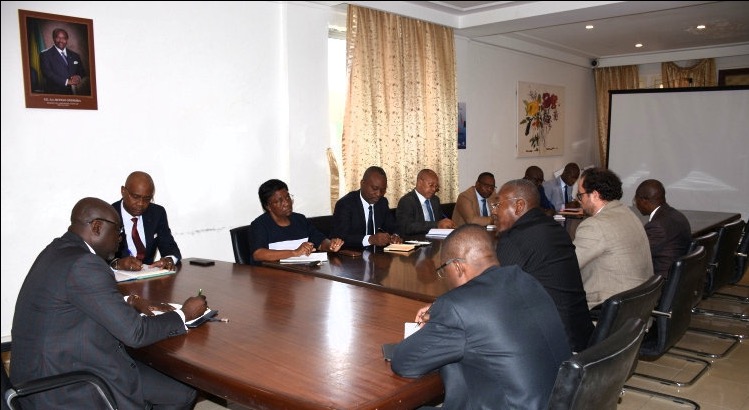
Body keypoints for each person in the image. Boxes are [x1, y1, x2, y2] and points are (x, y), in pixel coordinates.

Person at [10, 197, 208, 409]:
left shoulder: (57, 251)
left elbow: (76, 300)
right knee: (181, 392)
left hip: (40, 375)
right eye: (118, 231)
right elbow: (136, 333)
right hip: (69, 386)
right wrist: (184, 314)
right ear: (97, 227)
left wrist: (130, 300)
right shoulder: (85, 264)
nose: (120, 239)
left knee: (172, 386)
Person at [390, 224, 571, 410]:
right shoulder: (528, 280)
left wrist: (442, 315)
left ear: (457, 266)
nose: (445, 278)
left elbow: (404, 363)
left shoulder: (458, 307)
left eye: (444, 270)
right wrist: (440, 309)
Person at [493, 178, 593, 352]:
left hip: (553, 346)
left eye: (498, 205)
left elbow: (497, 296)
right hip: (582, 335)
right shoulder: (555, 228)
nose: (494, 211)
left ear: (519, 206)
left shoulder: (514, 239)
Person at [574, 168, 654, 309]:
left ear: (595, 195)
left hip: (611, 309)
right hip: (639, 304)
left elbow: (568, 265)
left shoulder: (594, 225)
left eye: (580, 195)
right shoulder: (627, 212)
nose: (578, 200)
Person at [250, 179, 344, 265]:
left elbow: (320, 241)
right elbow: (258, 254)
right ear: (268, 206)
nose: (287, 203)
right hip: (273, 275)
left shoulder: (300, 220)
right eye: (279, 201)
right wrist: (295, 252)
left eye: (287, 197)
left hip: (302, 273)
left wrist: (331, 246)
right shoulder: (260, 225)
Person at [111, 171, 180, 272]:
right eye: (135, 197)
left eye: (147, 199)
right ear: (123, 191)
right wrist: (117, 264)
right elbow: (97, 255)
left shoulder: (157, 213)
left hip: (148, 277)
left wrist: (169, 260)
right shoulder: (108, 215)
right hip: (116, 278)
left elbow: (169, 246)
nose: (141, 203)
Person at [331, 166, 403, 247]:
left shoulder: (382, 202)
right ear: (362, 183)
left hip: (378, 253)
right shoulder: (345, 204)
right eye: (374, 188)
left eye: (383, 190)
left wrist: (395, 236)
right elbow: (340, 237)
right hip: (353, 253)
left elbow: (393, 227)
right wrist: (370, 240)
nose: (378, 194)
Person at [634, 179, 692, 278]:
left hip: (661, 280)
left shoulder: (657, 226)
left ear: (644, 201)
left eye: (636, 200)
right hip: (679, 277)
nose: (635, 204)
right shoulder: (677, 215)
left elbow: (638, 256)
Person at [396, 169, 455, 236]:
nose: (434, 189)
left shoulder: (435, 200)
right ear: (420, 183)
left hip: (436, 238)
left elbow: (440, 220)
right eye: (431, 185)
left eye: (436, 186)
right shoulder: (407, 201)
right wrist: (436, 225)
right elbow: (407, 227)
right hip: (416, 239)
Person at [39, 28, 87, 95]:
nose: (61, 40)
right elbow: (47, 74)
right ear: (54, 38)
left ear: (67, 40)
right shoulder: (45, 55)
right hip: (54, 94)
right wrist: (67, 81)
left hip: (74, 93)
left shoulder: (75, 55)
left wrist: (78, 77)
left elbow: (82, 71)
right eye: (58, 38)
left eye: (64, 38)